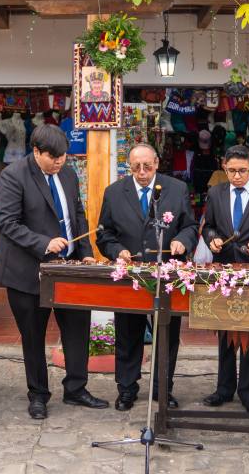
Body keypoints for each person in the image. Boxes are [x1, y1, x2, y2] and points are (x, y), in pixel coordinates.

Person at [0, 124, 108, 419]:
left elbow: (78, 215)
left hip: (68, 269)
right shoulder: (13, 175)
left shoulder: (68, 175)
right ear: (36, 151)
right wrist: (45, 243)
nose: (59, 162)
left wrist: (85, 254)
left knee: (77, 329)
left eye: (63, 157)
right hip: (27, 271)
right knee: (33, 335)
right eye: (53, 157)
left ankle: (76, 388)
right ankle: (38, 395)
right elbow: (8, 223)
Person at [96, 144, 198, 411]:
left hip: (166, 274)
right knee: (127, 333)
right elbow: (104, 234)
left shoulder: (176, 189)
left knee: (166, 334)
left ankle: (163, 388)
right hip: (131, 274)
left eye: (147, 166)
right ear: (128, 166)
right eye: (135, 167)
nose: (142, 172)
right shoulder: (114, 192)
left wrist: (181, 241)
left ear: (157, 163)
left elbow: (190, 226)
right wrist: (117, 250)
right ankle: (127, 388)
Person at [201, 144, 249, 413]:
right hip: (223, 266)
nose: (236, 176)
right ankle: (224, 389)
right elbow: (208, 226)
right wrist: (212, 240)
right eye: (231, 170)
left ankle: (248, 392)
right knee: (225, 332)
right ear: (224, 167)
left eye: (242, 171)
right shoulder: (215, 192)